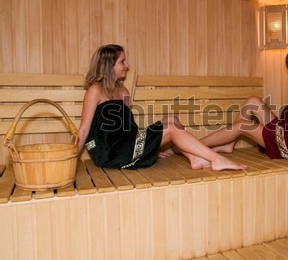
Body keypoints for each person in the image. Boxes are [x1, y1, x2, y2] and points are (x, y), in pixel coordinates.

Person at [77, 44, 246, 171]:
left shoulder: (123, 91)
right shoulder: (95, 90)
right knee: (171, 128)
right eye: (122, 61)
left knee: (172, 120)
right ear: (109, 66)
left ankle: (195, 158)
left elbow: (129, 128)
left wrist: (150, 147)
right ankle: (216, 159)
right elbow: (84, 130)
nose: (127, 65)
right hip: (110, 153)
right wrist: (71, 161)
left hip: (127, 147)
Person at [200, 47, 288, 171]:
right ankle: (228, 144)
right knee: (253, 101)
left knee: (242, 125)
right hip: (286, 131)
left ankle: (197, 145)